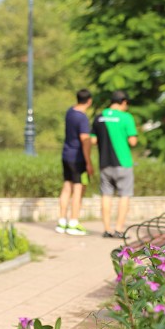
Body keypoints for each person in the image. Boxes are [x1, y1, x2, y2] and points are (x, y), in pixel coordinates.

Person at [91, 90, 138, 238]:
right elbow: (133, 141)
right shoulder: (126, 117)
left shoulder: (99, 117)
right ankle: (118, 229)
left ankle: (106, 229)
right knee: (124, 195)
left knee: (106, 195)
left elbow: (92, 141)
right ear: (123, 102)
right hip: (123, 162)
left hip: (104, 163)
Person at [56, 89, 94, 235]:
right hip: (77, 157)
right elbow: (85, 140)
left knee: (67, 187)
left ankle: (62, 222)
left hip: (66, 154)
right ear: (89, 100)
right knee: (78, 189)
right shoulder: (82, 118)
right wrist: (88, 161)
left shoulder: (70, 112)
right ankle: (73, 222)